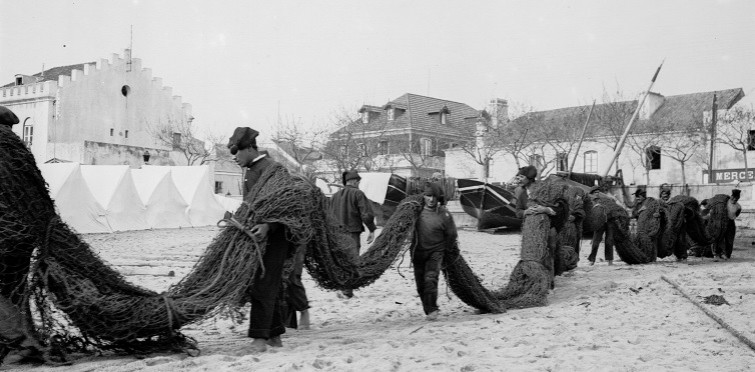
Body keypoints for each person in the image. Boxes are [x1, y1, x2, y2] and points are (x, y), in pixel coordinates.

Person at [228, 126, 295, 352]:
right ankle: (275, 337)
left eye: (237, 153)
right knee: (268, 285)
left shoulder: (274, 170)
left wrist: (269, 226)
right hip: (257, 238)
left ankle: (259, 339)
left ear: (249, 148)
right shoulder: (253, 169)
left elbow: (289, 207)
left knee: (263, 284)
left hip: (276, 238)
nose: (235, 158)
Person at [410, 182, 457, 321]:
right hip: (418, 253)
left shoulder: (444, 214)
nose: (431, 200)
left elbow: (452, 234)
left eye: (434, 197)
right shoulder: (415, 212)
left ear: (439, 198)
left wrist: (445, 250)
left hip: (435, 253)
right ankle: (428, 309)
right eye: (428, 196)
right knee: (420, 285)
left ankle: (432, 310)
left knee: (430, 279)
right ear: (423, 196)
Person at [328, 170, 377, 298]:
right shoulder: (358, 194)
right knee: (351, 261)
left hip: (336, 234)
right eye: (358, 182)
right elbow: (366, 214)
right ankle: (347, 291)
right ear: (354, 182)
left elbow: (328, 216)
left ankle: (341, 288)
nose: (359, 184)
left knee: (340, 260)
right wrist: (371, 229)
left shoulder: (334, 196)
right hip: (352, 233)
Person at [285, 245, 311, 330]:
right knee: (281, 280)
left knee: (293, 277)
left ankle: (304, 310)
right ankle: (288, 322)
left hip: (297, 238)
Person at [587, 185, 614, 266]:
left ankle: (610, 260)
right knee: (595, 242)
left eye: (598, 192)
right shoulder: (590, 202)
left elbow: (611, 207)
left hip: (609, 222)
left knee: (609, 241)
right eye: (595, 192)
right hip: (599, 223)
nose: (597, 194)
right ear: (592, 193)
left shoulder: (604, 200)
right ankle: (592, 260)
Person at [719, 189, 742, 261]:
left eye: (737, 198)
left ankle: (727, 254)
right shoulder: (725, 202)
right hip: (723, 221)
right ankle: (720, 253)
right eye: (734, 197)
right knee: (721, 238)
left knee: (729, 240)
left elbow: (737, 214)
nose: (735, 199)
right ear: (731, 196)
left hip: (731, 223)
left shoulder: (738, 206)